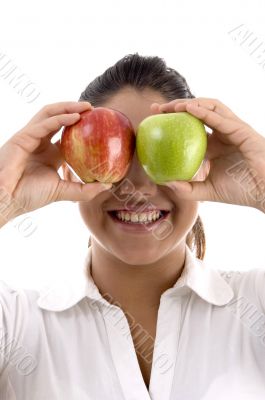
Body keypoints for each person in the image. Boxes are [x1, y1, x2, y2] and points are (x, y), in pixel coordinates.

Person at [0, 54, 265, 400]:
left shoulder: (255, 305)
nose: (138, 188)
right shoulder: (15, 325)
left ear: (202, 168)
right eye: (120, 154)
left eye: (159, 155)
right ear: (71, 169)